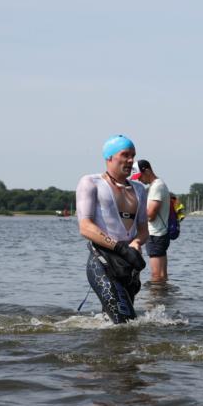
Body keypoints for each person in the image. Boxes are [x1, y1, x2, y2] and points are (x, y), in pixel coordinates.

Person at [76, 135, 149, 323]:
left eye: (133, 155)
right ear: (109, 157)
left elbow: (143, 229)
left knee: (123, 323)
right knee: (125, 323)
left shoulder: (139, 189)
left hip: (129, 264)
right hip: (103, 261)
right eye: (125, 155)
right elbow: (85, 227)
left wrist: (136, 243)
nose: (131, 160)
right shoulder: (90, 182)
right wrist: (120, 248)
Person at [135, 160, 171, 283]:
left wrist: (135, 212)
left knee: (156, 276)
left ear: (147, 171)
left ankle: (156, 295)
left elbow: (151, 215)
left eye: (140, 176)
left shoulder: (156, 187)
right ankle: (163, 294)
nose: (139, 180)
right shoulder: (158, 185)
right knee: (162, 275)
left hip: (155, 235)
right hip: (160, 234)